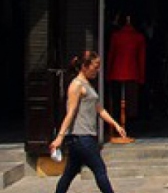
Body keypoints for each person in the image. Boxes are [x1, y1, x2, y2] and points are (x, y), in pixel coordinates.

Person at [51, 51, 126, 193]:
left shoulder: (88, 85)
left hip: (83, 138)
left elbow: (100, 109)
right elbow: (70, 113)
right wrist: (60, 137)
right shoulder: (76, 85)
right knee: (100, 170)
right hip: (81, 137)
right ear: (85, 66)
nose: (97, 70)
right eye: (95, 66)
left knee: (69, 173)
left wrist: (115, 124)